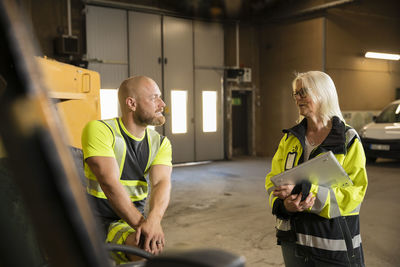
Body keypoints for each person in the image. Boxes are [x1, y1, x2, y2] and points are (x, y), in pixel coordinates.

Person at [265, 71, 368, 267]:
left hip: (332, 246)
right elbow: (272, 182)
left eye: (303, 92)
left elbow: (355, 194)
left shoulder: (348, 140)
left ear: (323, 93)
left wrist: (308, 194)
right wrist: (284, 205)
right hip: (293, 243)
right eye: (295, 94)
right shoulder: (289, 139)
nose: (297, 99)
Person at [81, 76, 172, 264]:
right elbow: (109, 183)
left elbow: (161, 183)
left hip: (131, 220)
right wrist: (145, 227)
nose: (162, 104)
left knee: (149, 245)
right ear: (131, 103)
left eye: (160, 97)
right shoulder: (100, 130)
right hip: (97, 221)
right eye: (154, 98)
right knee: (146, 249)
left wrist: (153, 221)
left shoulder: (160, 143)